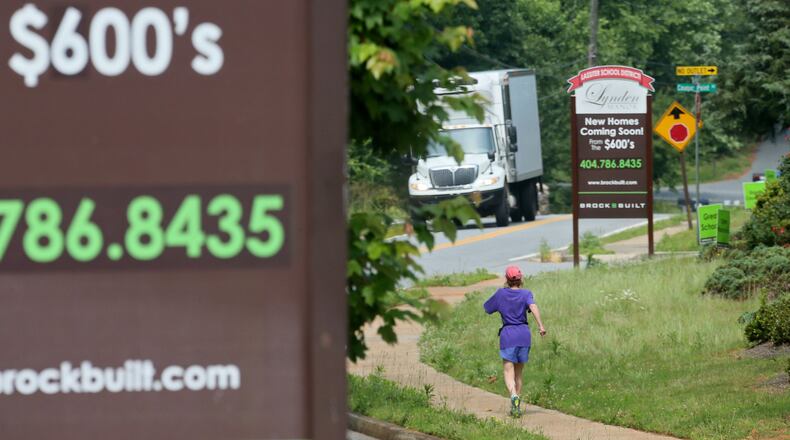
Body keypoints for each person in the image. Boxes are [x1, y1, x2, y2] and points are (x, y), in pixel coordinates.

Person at [483, 265, 546, 417]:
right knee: (518, 373)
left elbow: (487, 308)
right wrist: (541, 326)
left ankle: (514, 397)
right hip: (524, 335)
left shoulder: (500, 294)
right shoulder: (526, 294)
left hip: (508, 335)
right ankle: (516, 406)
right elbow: (533, 306)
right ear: (520, 279)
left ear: (507, 279)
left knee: (508, 371)